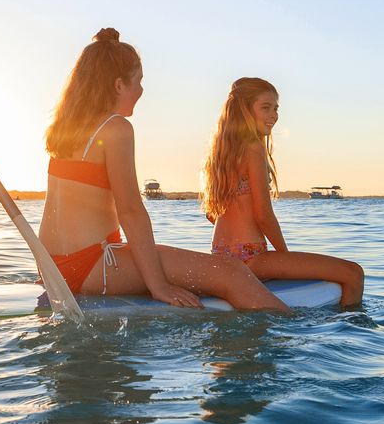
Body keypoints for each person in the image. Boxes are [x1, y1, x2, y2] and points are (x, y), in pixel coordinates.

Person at [40, 30, 284, 311]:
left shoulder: (66, 131)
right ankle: (292, 336)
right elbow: (131, 212)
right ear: (118, 85)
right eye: (139, 81)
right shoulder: (116, 128)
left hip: (54, 266)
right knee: (233, 273)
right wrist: (159, 286)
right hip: (89, 264)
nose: (142, 90)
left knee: (187, 263)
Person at [204, 77, 364, 306]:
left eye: (276, 108)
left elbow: (211, 214)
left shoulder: (220, 153)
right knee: (353, 273)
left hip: (221, 258)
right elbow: (263, 216)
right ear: (244, 110)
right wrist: (284, 256)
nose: (274, 116)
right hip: (252, 258)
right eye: (266, 108)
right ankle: (353, 333)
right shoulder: (253, 148)